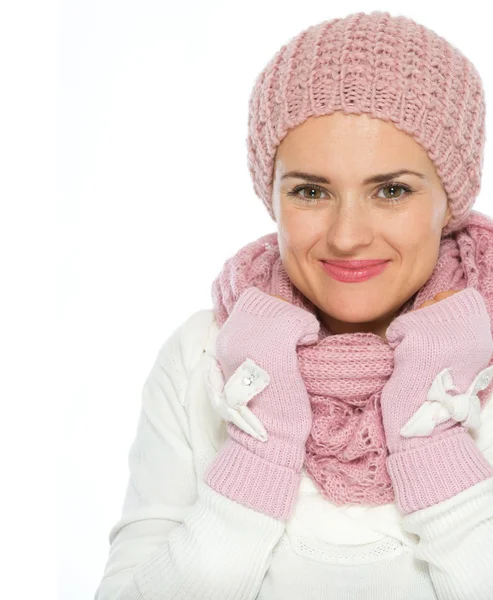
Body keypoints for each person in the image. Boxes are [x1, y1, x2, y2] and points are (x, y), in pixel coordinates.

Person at [93, 10, 493, 600]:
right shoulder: (205, 355)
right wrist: (260, 459)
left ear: (450, 198)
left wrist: (434, 449)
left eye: (391, 190)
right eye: (310, 191)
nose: (347, 235)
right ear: (271, 195)